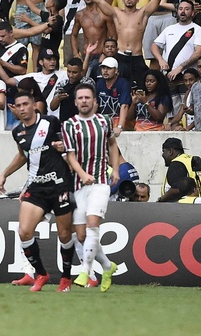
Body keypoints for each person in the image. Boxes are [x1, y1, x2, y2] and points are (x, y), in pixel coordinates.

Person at [0, 92, 75, 292]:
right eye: (18, 105)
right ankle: (41, 274)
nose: (22, 108)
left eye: (25, 104)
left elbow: (68, 145)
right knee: (24, 231)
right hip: (37, 186)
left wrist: (64, 147)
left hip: (59, 184)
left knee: (65, 234)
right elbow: (23, 156)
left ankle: (66, 278)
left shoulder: (51, 122)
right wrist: (5, 173)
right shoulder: (18, 132)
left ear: (34, 105)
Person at [62, 83, 120, 292]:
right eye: (81, 98)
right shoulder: (69, 125)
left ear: (94, 101)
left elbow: (112, 144)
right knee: (81, 235)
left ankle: (85, 270)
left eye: (88, 98)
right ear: (75, 102)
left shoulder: (104, 121)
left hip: (100, 182)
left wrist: (115, 169)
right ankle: (107, 265)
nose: (84, 101)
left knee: (93, 224)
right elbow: (70, 155)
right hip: (78, 184)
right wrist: (82, 174)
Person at [157, 136, 201, 202]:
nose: (162, 155)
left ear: (170, 151)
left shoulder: (177, 163)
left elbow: (177, 189)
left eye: (164, 151)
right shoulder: (198, 161)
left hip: (182, 208)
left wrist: (160, 200)